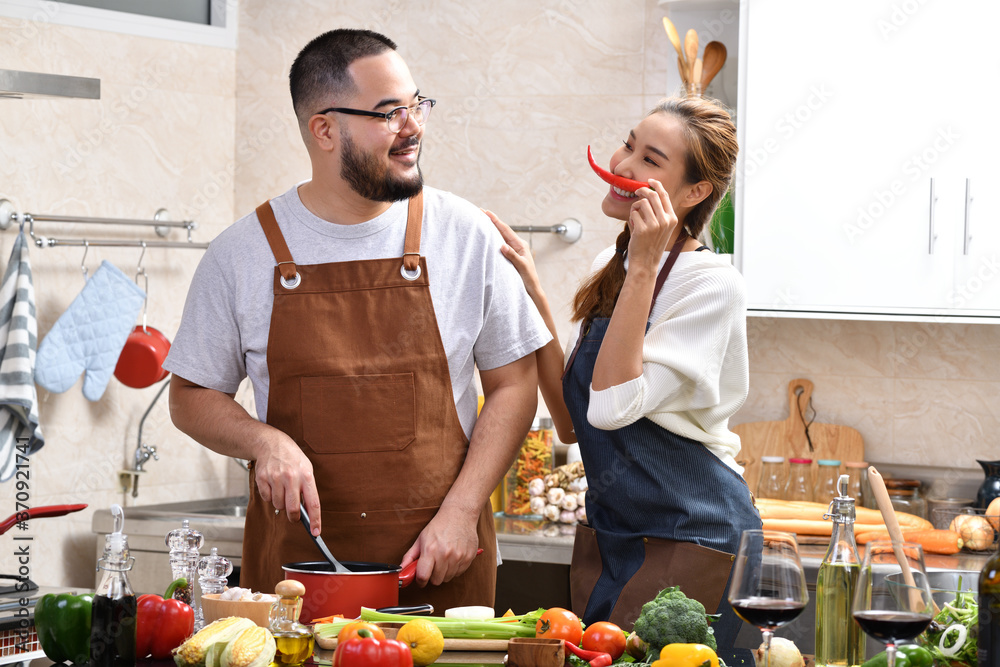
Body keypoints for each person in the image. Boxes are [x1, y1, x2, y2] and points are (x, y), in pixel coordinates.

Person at [164, 28, 550, 610]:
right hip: (297, 584)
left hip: (439, 567)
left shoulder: (463, 234)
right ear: (324, 129)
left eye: (416, 105)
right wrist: (262, 440)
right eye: (388, 113)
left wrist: (464, 510)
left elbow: (515, 383)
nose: (413, 126)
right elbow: (190, 395)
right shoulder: (242, 252)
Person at [488, 96, 761, 663]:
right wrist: (533, 289)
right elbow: (571, 421)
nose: (625, 163)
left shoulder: (709, 284)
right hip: (616, 535)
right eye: (628, 143)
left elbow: (614, 407)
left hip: (699, 535)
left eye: (651, 158)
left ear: (694, 193)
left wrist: (643, 265)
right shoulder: (610, 265)